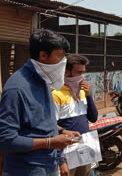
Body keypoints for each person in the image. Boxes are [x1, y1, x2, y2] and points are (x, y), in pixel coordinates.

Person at [0, 29, 80, 176]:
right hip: (26, 171)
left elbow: (42, 121)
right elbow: (5, 139)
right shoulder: (17, 88)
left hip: (49, 167)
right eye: (60, 56)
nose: (64, 62)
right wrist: (50, 142)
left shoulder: (44, 81)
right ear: (43, 55)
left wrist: (62, 133)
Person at [52, 54, 98, 176]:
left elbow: (93, 118)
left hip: (84, 149)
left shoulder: (82, 92)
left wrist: (89, 96)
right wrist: (60, 160)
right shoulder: (56, 94)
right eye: (79, 72)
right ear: (67, 72)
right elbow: (51, 127)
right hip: (66, 153)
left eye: (83, 72)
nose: (82, 76)